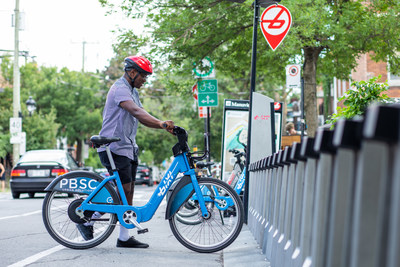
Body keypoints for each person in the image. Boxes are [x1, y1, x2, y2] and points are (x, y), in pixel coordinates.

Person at [77, 55, 175, 248]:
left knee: (128, 192)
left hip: (128, 148)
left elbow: (143, 115)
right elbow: (136, 112)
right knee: (123, 190)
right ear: (132, 72)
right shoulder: (120, 89)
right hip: (114, 147)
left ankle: (124, 237)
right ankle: (88, 216)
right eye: (143, 76)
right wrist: (162, 124)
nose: (145, 80)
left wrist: (163, 125)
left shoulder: (132, 91)